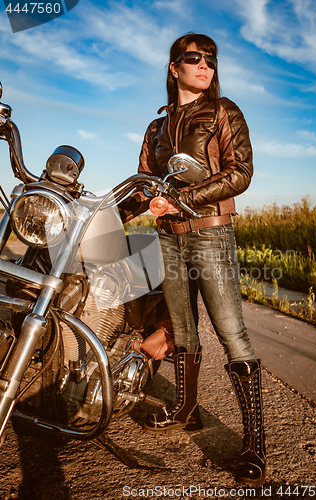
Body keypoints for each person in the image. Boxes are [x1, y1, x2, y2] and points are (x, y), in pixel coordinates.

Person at [119, 33, 266, 487]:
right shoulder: (156, 128)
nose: (205, 66)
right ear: (173, 67)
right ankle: (185, 407)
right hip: (169, 239)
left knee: (230, 332)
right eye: (194, 58)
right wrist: (107, 215)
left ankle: (255, 442)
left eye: (211, 60)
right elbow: (144, 184)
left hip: (211, 234)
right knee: (182, 329)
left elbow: (241, 172)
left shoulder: (224, 111)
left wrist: (182, 198)